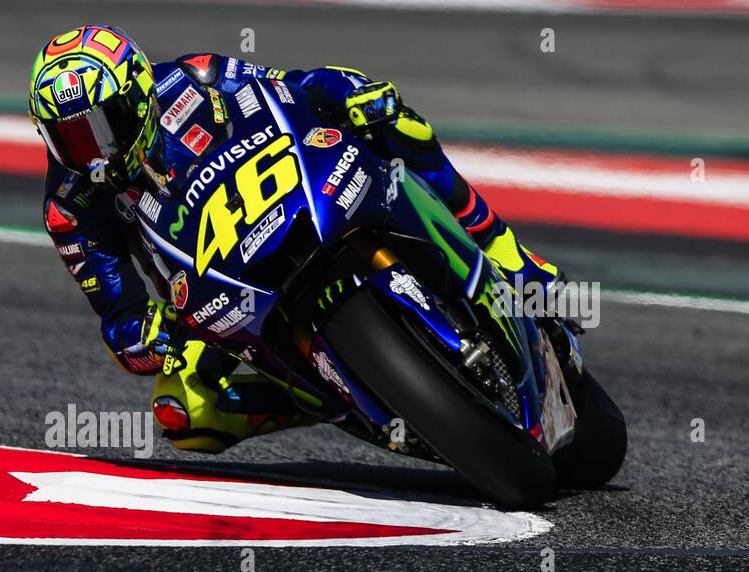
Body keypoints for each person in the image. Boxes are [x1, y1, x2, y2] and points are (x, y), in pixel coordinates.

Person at [30, 25, 562, 452]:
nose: (90, 152)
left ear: (138, 96)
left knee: (399, 124)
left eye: (100, 126)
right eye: (68, 138)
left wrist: (348, 94)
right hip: (217, 297)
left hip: (301, 197)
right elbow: (118, 321)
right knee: (182, 414)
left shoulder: (197, 77)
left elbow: (296, 86)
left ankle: (504, 251)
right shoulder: (70, 208)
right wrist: (144, 338)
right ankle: (330, 400)